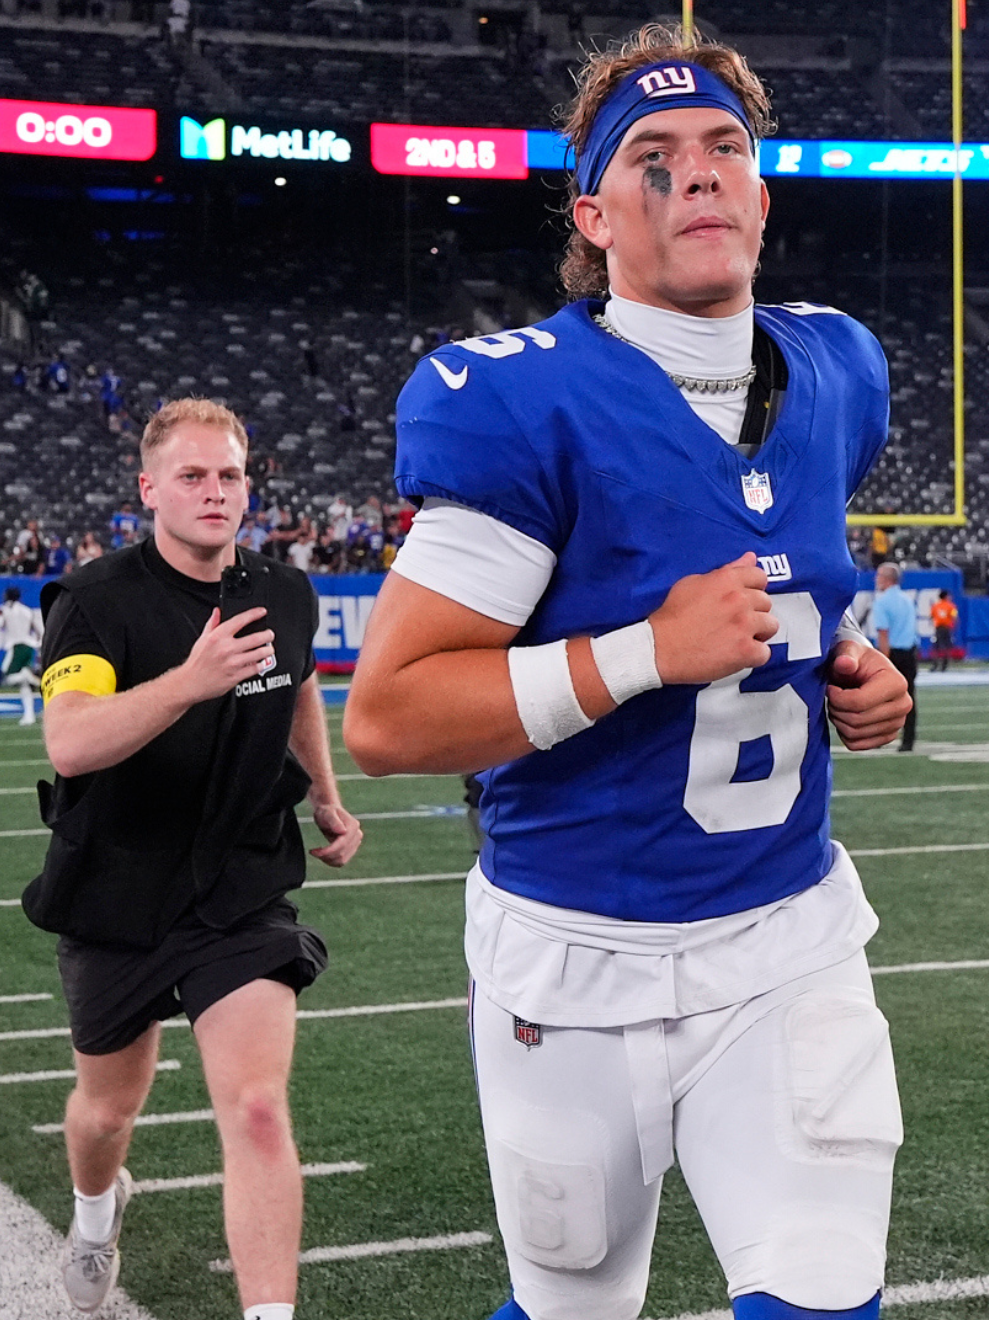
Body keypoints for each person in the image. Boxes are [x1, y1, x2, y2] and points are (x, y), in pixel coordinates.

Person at [343, 26, 912, 1320]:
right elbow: (386, 715)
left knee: (824, 1297)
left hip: (785, 937)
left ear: (763, 191)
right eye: (653, 158)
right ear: (596, 217)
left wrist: (854, 666)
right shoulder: (522, 402)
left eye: (724, 150)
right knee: (573, 1308)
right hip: (573, 954)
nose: (698, 175)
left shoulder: (837, 371)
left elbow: (782, 574)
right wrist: (646, 652)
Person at [26, 397, 364, 1320]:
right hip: (117, 888)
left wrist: (323, 790)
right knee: (107, 1113)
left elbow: (298, 691)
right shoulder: (95, 601)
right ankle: (97, 1213)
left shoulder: (285, 590)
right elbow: (71, 742)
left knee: (256, 1107)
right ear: (149, 490)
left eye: (230, 475)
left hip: (241, 882)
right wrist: (189, 681)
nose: (215, 492)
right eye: (192, 476)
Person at [874, 562, 919, 752]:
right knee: (909, 697)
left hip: (892, 654)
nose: (876, 579)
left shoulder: (882, 602)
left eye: (879, 575)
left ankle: (879, 737)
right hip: (909, 652)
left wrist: (883, 660)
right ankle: (908, 740)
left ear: (887, 579)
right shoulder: (907, 599)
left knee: (881, 698)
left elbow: (883, 633)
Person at [0, 585, 45, 725]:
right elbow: (39, 631)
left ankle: (28, 676)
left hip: (15, 646)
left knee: (7, 678)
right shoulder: (27, 610)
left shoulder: (3, 610)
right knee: (24, 685)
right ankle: (29, 715)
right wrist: (39, 646)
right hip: (29, 645)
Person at [929, 587, 957, 672]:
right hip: (947, 628)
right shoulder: (951, 606)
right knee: (946, 647)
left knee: (936, 647)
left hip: (938, 628)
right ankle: (944, 666)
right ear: (946, 596)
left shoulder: (935, 606)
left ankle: (935, 665)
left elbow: (931, 616)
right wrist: (953, 625)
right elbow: (954, 616)